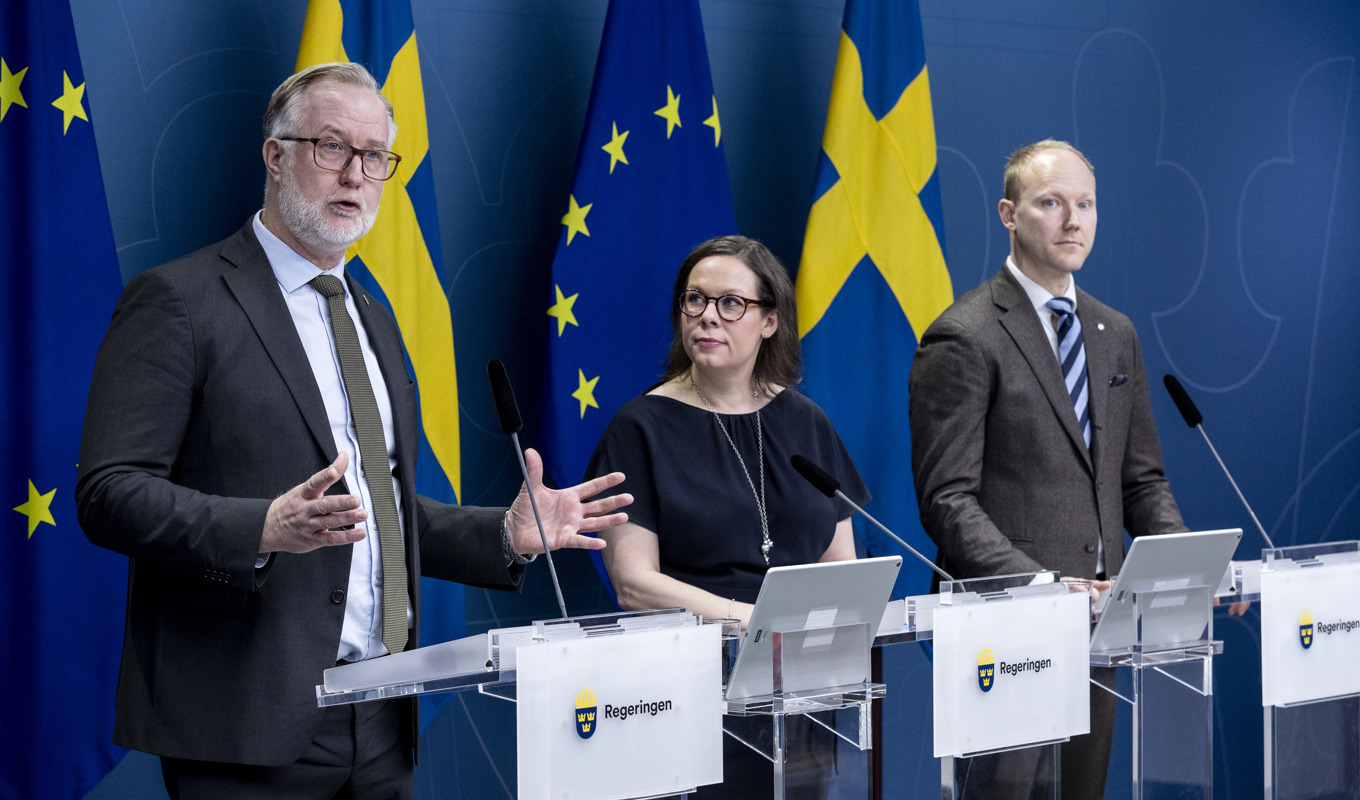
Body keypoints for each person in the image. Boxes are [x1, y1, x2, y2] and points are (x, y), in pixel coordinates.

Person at [76, 62, 631, 800]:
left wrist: (506, 535)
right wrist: (262, 528)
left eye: (374, 157)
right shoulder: (179, 301)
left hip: (380, 713)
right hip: (245, 715)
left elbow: (374, 514)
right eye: (331, 147)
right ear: (275, 156)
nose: (356, 174)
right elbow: (109, 493)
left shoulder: (371, 315)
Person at [908, 139, 1186, 799]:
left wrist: (1182, 567)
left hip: (1099, 623)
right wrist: (1038, 585)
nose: (1073, 221)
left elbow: (1140, 479)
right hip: (1004, 628)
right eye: (1051, 203)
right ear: (1008, 213)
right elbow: (947, 500)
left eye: (1085, 204)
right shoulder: (965, 335)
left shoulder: (1114, 332)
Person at [585, 235, 868, 797]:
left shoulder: (805, 422)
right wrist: (750, 620)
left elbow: (840, 569)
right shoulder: (640, 427)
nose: (708, 317)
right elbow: (634, 584)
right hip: (685, 693)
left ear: (769, 321)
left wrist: (789, 634)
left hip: (799, 696)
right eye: (696, 301)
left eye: (730, 303)